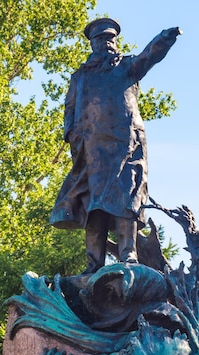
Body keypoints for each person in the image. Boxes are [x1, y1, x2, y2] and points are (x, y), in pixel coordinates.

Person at [49, 18, 181, 274]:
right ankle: (93, 264)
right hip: (92, 151)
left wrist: (165, 38)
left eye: (110, 38)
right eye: (101, 39)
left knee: (126, 200)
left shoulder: (127, 66)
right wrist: (72, 134)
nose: (106, 43)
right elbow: (70, 107)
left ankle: (128, 255)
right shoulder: (81, 76)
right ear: (92, 43)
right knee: (93, 205)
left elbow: (149, 56)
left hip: (125, 146)